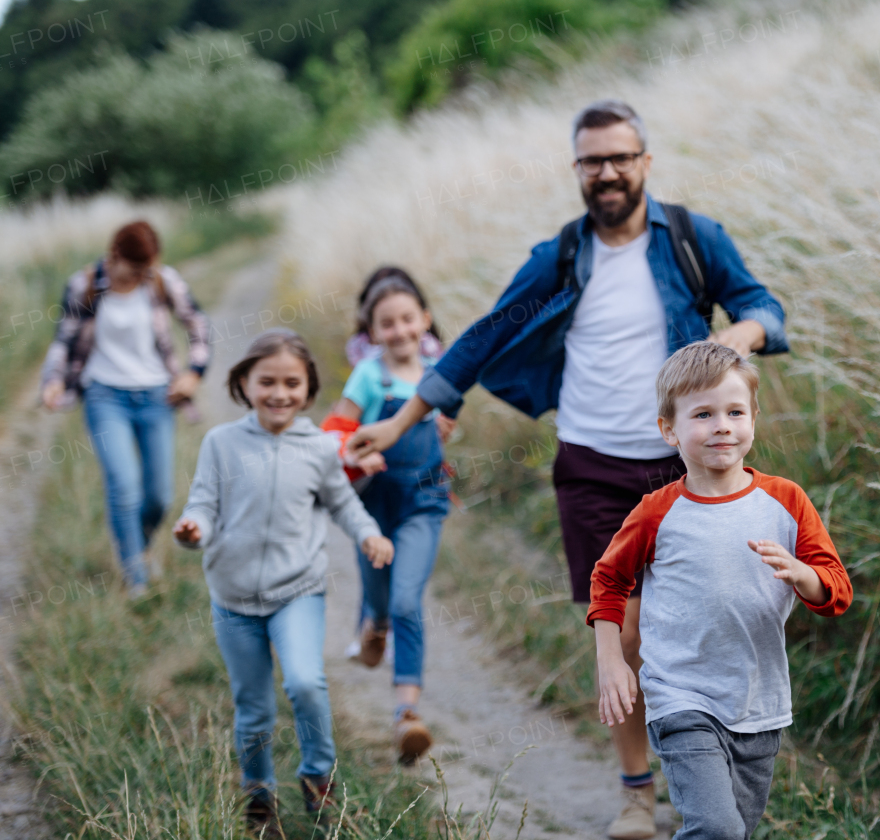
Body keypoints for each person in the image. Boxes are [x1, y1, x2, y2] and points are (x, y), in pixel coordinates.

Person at [348, 99, 788, 838]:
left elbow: (763, 305)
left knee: (703, 625)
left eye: (620, 157)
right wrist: (395, 422)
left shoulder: (690, 238)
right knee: (623, 632)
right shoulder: (559, 256)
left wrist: (728, 350)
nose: (607, 172)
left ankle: (708, 774)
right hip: (590, 465)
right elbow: (482, 338)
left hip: (684, 474)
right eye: (592, 160)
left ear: (645, 162)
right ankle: (637, 791)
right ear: (577, 169)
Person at [590, 342, 852, 839]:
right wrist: (611, 660)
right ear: (669, 429)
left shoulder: (787, 501)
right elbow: (609, 578)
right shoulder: (656, 512)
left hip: (758, 701)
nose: (722, 426)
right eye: (703, 414)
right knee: (717, 829)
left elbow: (837, 590)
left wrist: (803, 575)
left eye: (734, 412)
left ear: (753, 417)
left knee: (735, 830)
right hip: (680, 695)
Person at [172, 329, 393, 833]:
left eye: (292, 383)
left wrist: (368, 534)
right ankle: (259, 798)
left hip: (297, 591)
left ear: (308, 390)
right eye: (266, 381)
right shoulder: (221, 444)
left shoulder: (318, 448)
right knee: (252, 707)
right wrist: (194, 530)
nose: (279, 393)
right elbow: (203, 504)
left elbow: (343, 502)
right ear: (244, 383)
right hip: (233, 599)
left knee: (305, 682)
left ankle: (318, 781)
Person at [39, 220, 210, 596]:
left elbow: (197, 324)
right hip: (104, 396)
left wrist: (195, 372)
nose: (142, 275)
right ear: (114, 254)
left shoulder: (163, 281)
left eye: (148, 267)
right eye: (136, 268)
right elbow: (63, 340)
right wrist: (53, 380)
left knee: (159, 496)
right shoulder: (83, 285)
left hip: (156, 397)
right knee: (124, 486)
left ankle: (141, 547)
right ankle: (136, 579)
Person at [329, 273, 451, 765]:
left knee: (406, 598)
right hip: (373, 503)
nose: (399, 330)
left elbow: (447, 422)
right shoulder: (367, 375)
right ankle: (372, 624)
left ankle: (407, 714)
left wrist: (446, 426)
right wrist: (357, 453)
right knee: (379, 597)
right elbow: (336, 431)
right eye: (387, 324)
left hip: (424, 502)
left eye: (407, 319)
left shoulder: (441, 370)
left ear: (424, 320)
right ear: (372, 332)